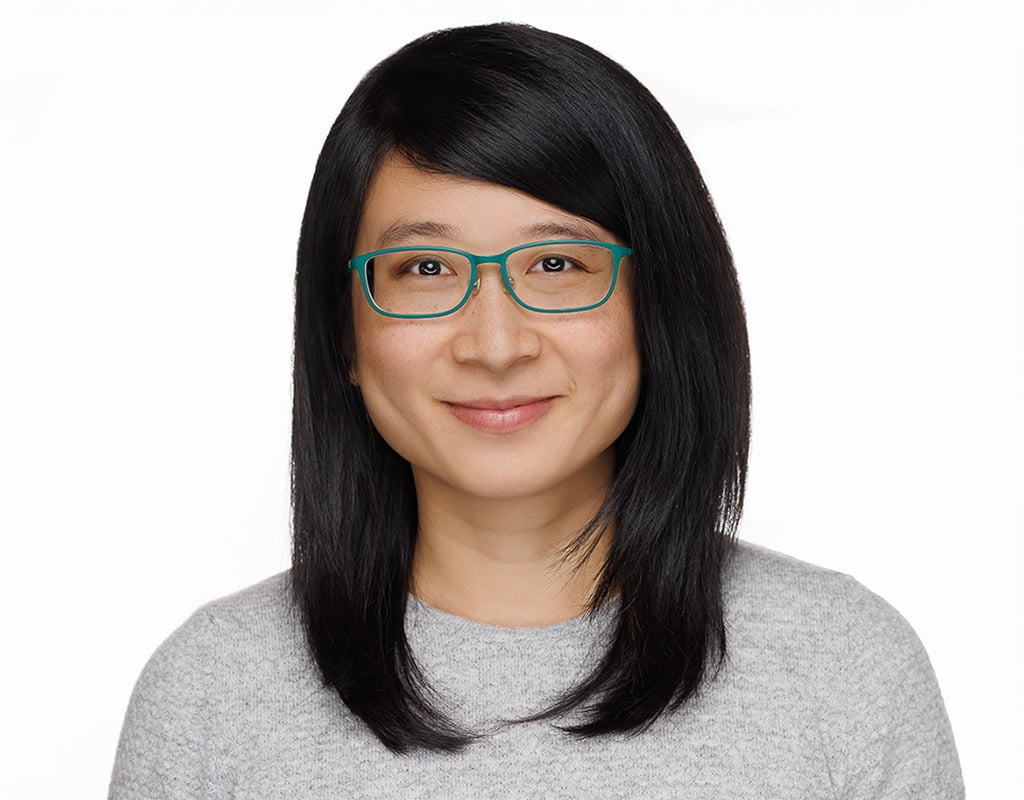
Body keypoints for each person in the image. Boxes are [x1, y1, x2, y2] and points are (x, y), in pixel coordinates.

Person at [108, 22, 964, 798]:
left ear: (656, 307)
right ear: (345, 334)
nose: (495, 344)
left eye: (556, 265)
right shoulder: (215, 693)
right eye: (426, 272)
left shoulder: (843, 668)